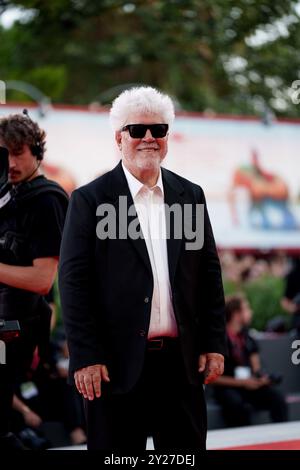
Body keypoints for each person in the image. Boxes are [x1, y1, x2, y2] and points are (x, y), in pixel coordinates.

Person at [59, 86, 226, 451]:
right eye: (137, 130)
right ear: (119, 138)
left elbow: (209, 276)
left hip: (180, 367)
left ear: (167, 138)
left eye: (159, 130)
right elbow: (73, 283)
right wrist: (85, 356)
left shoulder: (190, 195)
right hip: (112, 367)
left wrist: (214, 344)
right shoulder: (90, 200)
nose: (149, 138)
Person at [0, 112, 68, 449]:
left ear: (36, 153)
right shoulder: (6, 194)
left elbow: (43, 279)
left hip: (18, 327)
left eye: (17, 153)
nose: (9, 162)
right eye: (4, 154)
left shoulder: (46, 199)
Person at [213, 294, 288, 427]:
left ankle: (281, 436)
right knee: (236, 404)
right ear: (236, 314)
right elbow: (214, 378)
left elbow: (256, 368)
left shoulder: (247, 337)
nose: (250, 312)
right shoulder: (220, 338)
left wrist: (262, 378)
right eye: (247, 309)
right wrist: (242, 383)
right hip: (228, 387)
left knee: (277, 398)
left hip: (249, 384)